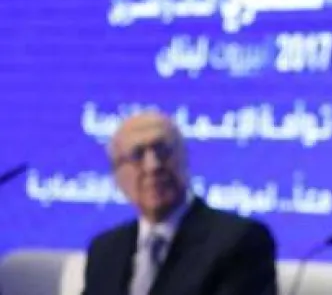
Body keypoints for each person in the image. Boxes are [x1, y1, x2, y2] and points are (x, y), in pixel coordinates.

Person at [81, 111, 277, 295]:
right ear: (117, 176)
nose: (153, 166)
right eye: (138, 155)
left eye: (163, 151)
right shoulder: (105, 250)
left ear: (184, 158)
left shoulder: (240, 241)